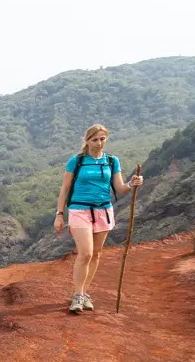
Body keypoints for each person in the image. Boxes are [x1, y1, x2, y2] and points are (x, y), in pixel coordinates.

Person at [54, 124, 144, 313]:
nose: (99, 143)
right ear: (86, 141)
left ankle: (84, 293)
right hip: (80, 210)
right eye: (94, 139)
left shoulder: (111, 161)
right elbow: (64, 189)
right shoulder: (76, 161)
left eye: (102, 139)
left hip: (103, 210)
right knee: (85, 253)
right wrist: (60, 215)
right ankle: (78, 296)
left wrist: (132, 183)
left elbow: (120, 188)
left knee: (96, 254)